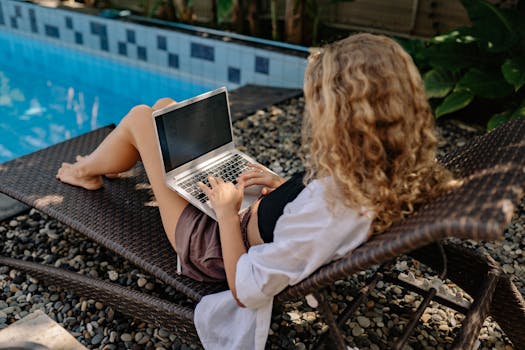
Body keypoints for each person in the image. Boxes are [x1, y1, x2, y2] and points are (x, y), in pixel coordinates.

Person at [56, 33, 452, 349]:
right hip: (244, 217)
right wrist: (283, 188)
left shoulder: (330, 207)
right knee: (164, 107)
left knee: (144, 118)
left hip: (211, 244)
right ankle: (95, 166)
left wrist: (227, 212)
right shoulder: (376, 171)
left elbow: (245, 289)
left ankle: (84, 171)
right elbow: (302, 216)